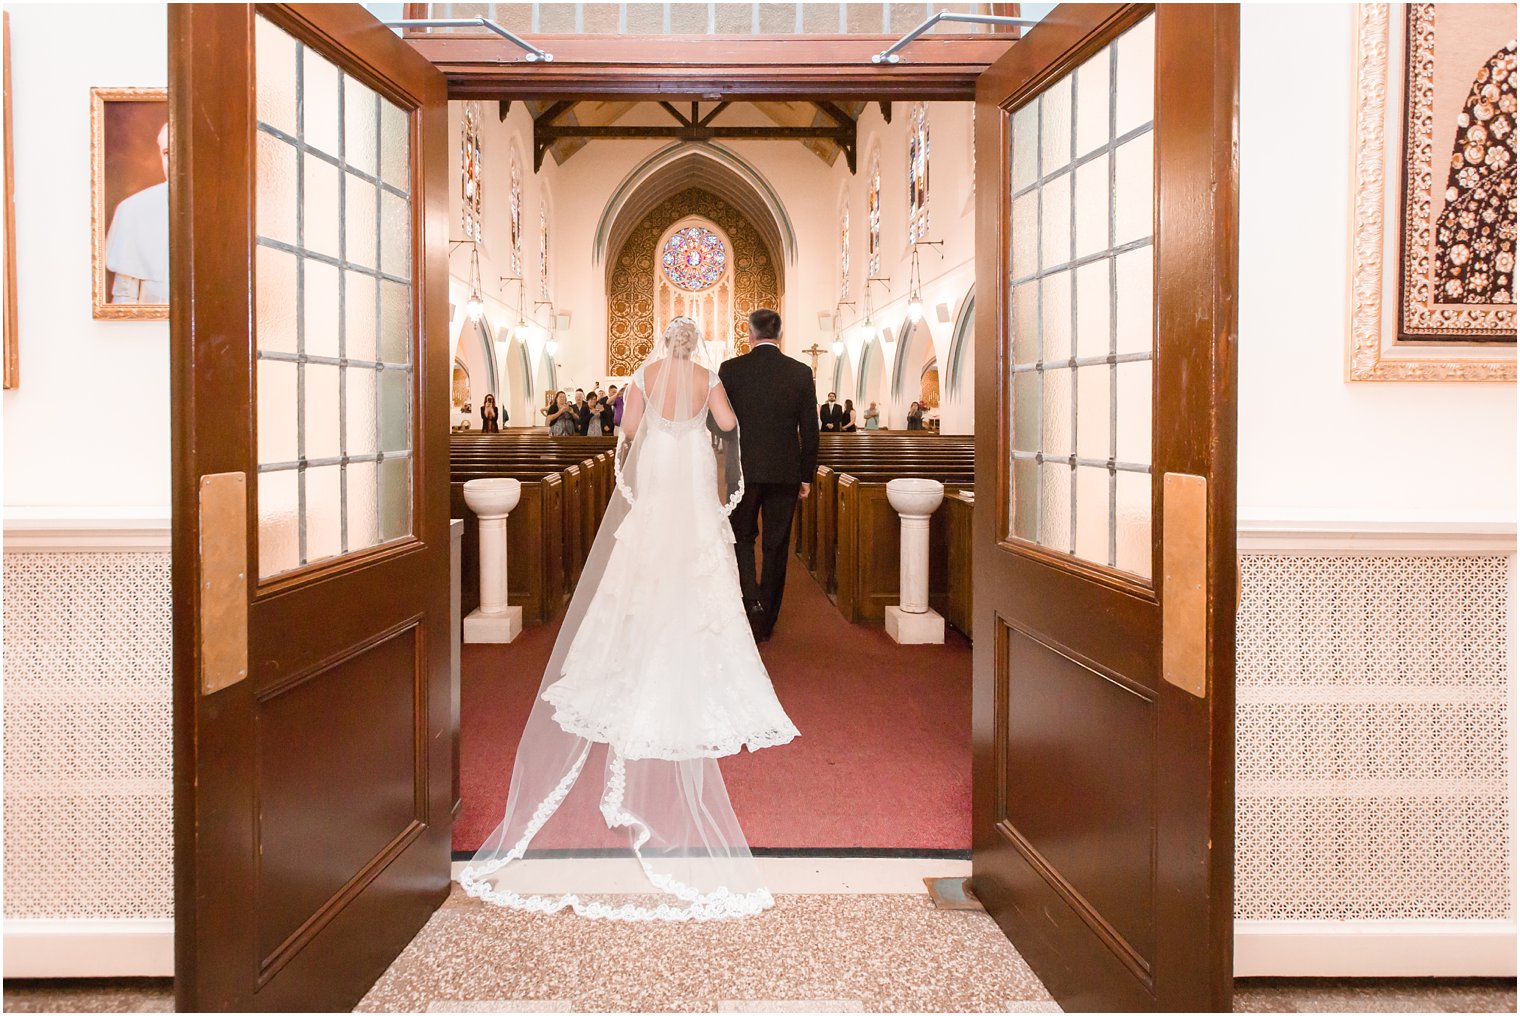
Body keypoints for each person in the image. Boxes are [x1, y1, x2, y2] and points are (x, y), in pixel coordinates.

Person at [461, 315, 797, 922]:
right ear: (695, 345)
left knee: (643, 561)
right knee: (696, 560)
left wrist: (644, 444)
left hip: (660, 473)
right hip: (691, 474)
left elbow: (631, 428)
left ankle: (634, 649)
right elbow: (727, 426)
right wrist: (714, 435)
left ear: (659, 343)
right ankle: (693, 651)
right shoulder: (706, 376)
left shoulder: (642, 373)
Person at [719, 308, 820, 644]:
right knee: (777, 544)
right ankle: (768, 619)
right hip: (785, 472)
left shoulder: (731, 371)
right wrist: (805, 475)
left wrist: (724, 463)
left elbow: (718, 424)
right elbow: (810, 430)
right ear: (780, 334)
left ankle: (751, 602)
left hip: (742, 471)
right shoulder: (800, 372)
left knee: (742, 538)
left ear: (749, 334)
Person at [104, 121, 170, 304]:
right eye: (167, 153)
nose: (174, 162)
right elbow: (123, 297)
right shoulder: (133, 210)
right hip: (148, 328)